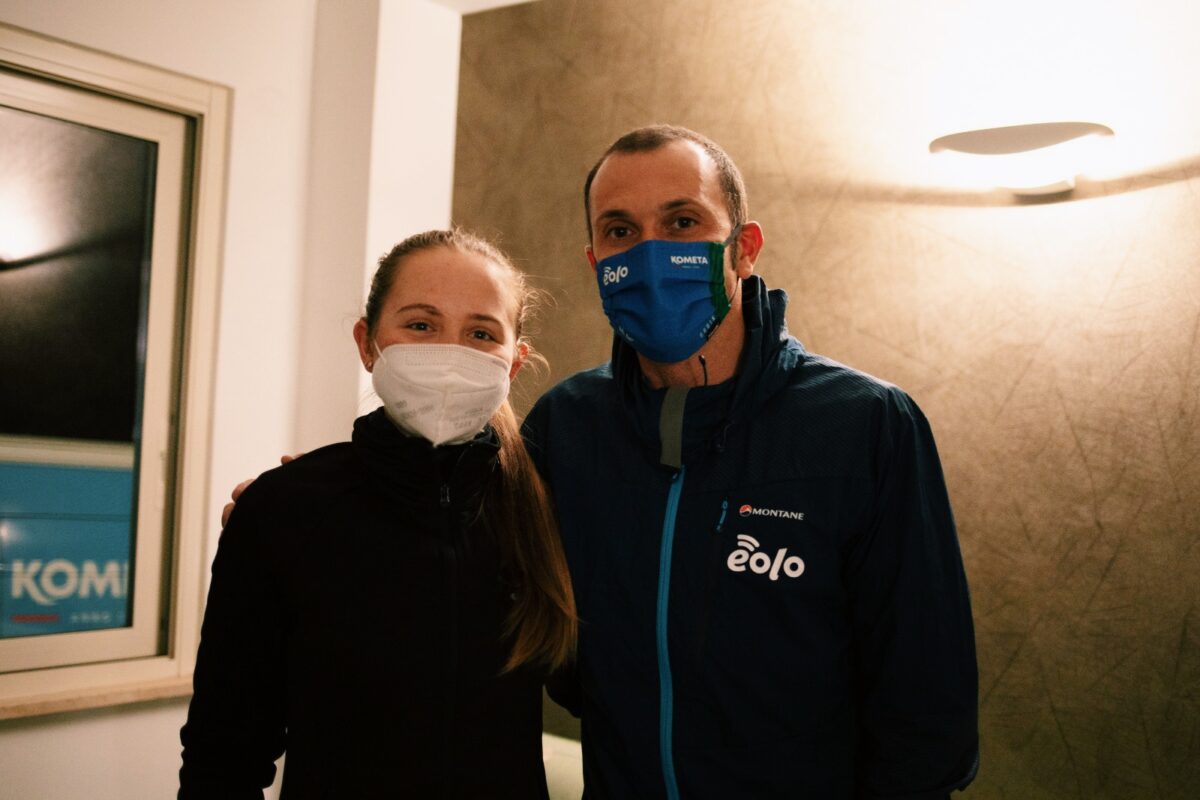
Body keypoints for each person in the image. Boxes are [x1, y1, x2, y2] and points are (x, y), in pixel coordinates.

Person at [522, 125, 979, 798]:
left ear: (744, 249)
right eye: (620, 231)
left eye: (682, 222)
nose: (650, 253)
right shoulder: (563, 427)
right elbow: (554, 651)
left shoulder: (866, 426)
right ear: (596, 261)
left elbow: (927, 706)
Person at [179, 229, 576, 799]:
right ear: (368, 344)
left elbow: (597, 691)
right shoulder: (284, 510)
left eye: (481, 333)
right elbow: (224, 752)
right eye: (421, 325)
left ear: (514, 364)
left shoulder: (541, 513)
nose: (450, 354)